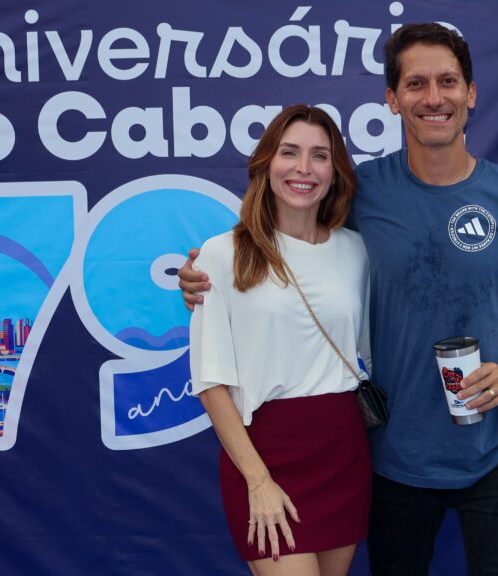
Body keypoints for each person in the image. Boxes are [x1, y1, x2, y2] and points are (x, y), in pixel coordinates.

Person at [181, 24, 498, 576]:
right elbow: (289, 242)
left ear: (471, 93)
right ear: (392, 99)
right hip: (393, 456)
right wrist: (205, 277)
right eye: (416, 84)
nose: (433, 98)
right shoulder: (360, 195)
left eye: (448, 82)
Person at [189, 104, 372, 576]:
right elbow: (211, 383)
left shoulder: (356, 250)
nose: (303, 168)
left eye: (319, 156)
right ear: (266, 164)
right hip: (264, 455)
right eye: (289, 153)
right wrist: (258, 480)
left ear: (335, 171)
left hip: (342, 450)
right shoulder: (222, 254)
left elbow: (374, 346)